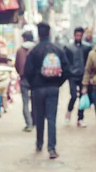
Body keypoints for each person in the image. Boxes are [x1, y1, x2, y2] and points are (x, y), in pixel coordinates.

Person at [24, 22, 71, 159]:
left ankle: (39, 144)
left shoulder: (34, 51)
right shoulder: (57, 49)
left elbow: (27, 71)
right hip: (53, 88)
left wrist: (33, 84)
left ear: (38, 34)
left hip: (38, 88)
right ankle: (52, 148)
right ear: (49, 33)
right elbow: (67, 70)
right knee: (51, 118)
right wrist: (58, 83)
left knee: (39, 117)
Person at [64, 27, 91, 127]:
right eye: (77, 35)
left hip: (83, 76)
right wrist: (69, 71)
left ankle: (80, 118)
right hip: (72, 76)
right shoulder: (68, 48)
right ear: (74, 35)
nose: (78, 37)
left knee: (82, 97)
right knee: (74, 95)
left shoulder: (87, 48)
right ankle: (69, 111)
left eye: (80, 35)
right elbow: (65, 62)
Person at [15, 31, 35, 132]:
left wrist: (21, 73)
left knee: (25, 102)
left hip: (24, 78)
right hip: (35, 79)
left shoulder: (19, 50)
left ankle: (29, 124)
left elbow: (17, 65)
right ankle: (34, 121)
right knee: (35, 101)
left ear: (25, 39)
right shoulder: (36, 48)